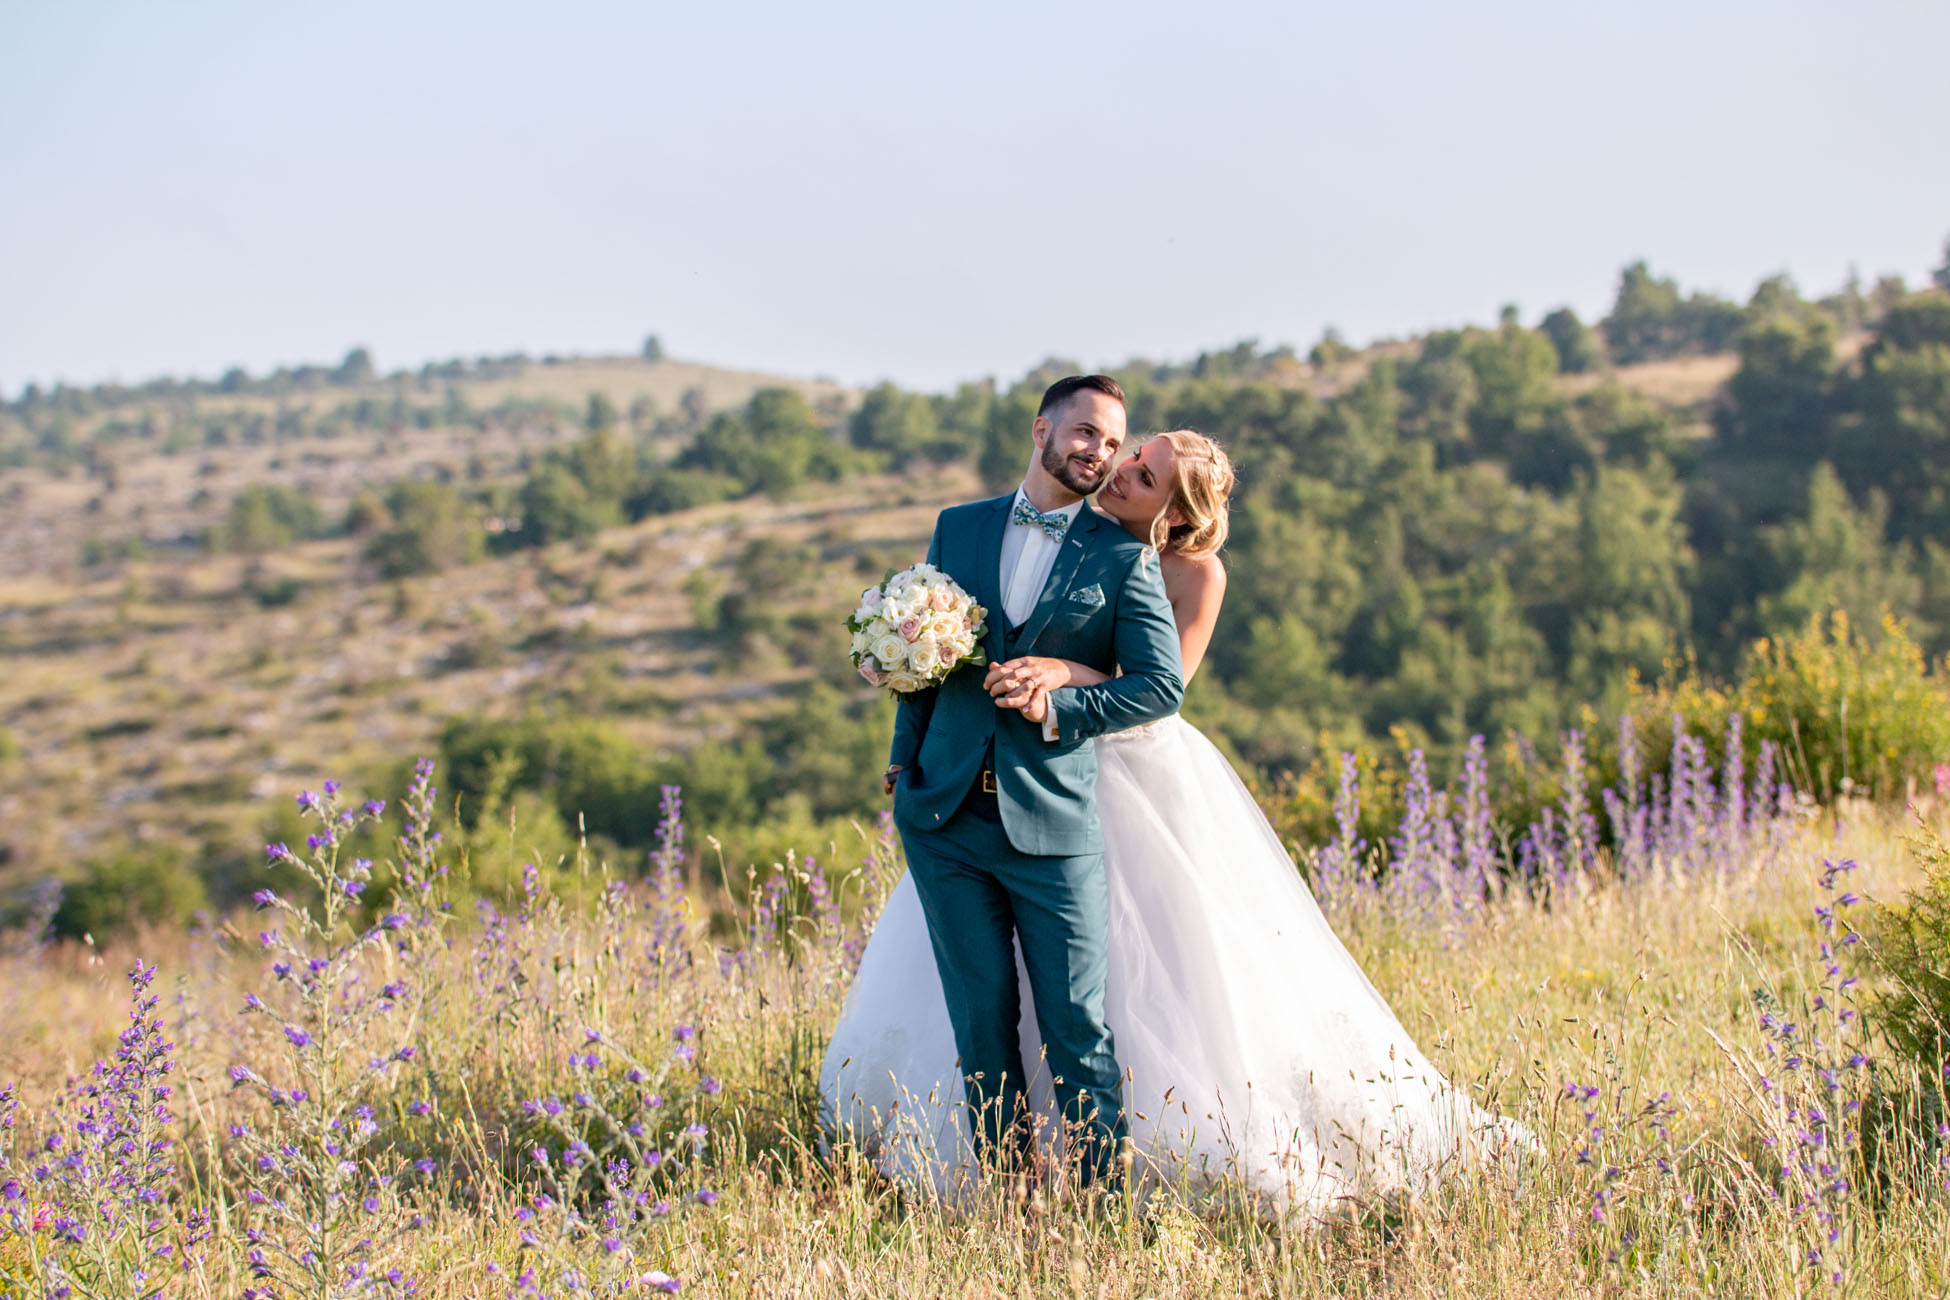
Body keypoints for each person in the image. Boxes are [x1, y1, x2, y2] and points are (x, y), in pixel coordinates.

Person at [822, 425, 1529, 1215]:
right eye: (1133, 458)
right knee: (994, 974)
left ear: (1177, 511)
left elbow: (1162, 683)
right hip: (1023, 771)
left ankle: (1140, 1152)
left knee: (1141, 967)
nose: (1123, 472)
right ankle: (1004, 1151)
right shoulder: (1073, 532)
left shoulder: (1193, 572)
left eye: (1147, 475)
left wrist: (1060, 673)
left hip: (1134, 773)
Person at [858, 374, 1185, 1187]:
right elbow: (922, 657)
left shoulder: (1122, 557)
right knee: (981, 1025)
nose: (1098, 453)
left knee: (1077, 1028)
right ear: (1042, 430)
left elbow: (1158, 686)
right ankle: (1009, 1201)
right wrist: (906, 757)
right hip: (945, 821)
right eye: (1085, 433)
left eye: (1113, 443)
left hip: (1053, 824)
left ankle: (1103, 1208)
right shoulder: (957, 528)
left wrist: (1060, 706)